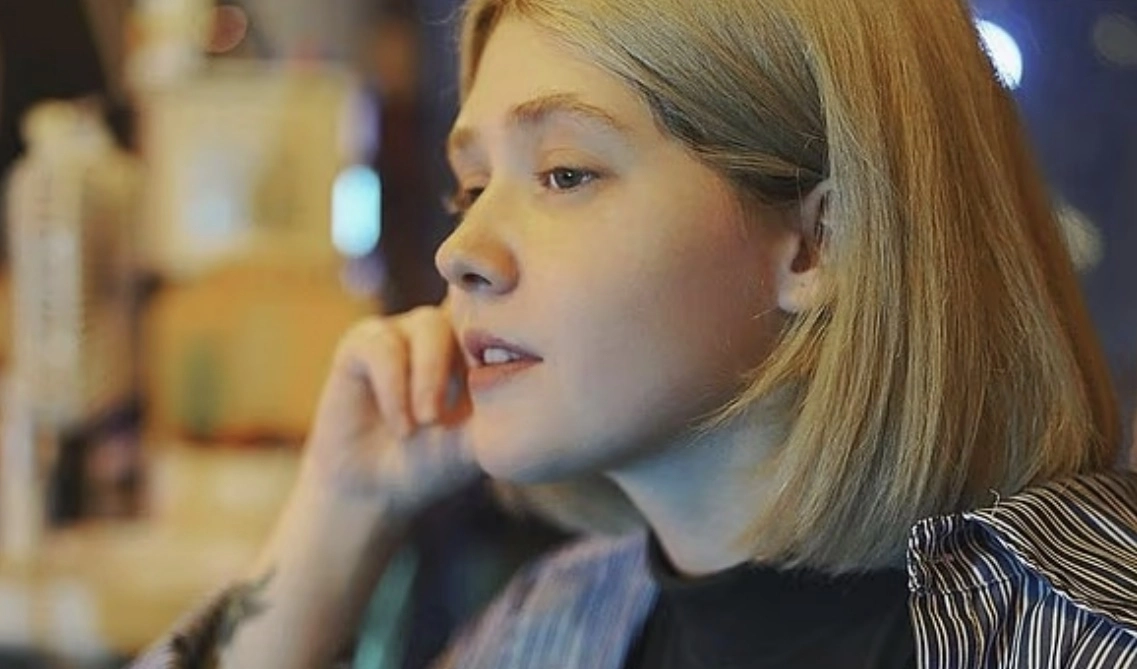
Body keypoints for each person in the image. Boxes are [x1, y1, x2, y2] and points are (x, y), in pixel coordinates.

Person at [134, 0, 1137, 667]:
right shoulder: (551, 627)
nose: (460, 250)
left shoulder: (1086, 640)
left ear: (818, 242)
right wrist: (338, 516)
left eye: (564, 173)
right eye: (471, 186)